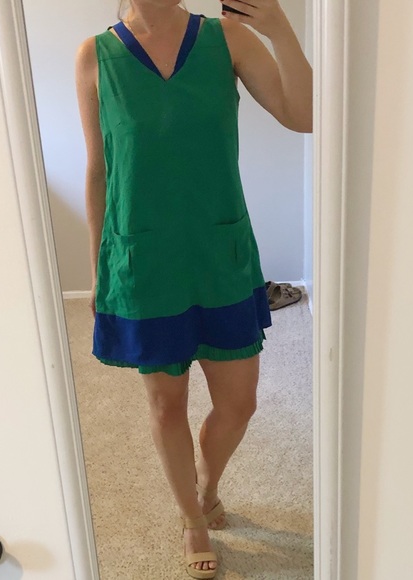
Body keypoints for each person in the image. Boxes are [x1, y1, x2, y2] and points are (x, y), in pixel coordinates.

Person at [75, 0, 312, 577]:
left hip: (219, 254)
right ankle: (193, 518)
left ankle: (207, 484)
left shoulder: (226, 39)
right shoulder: (95, 56)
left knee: (239, 404)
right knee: (166, 403)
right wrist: (100, 268)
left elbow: (304, 115)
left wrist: (279, 30)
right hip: (144, 261)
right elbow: (100, 169)